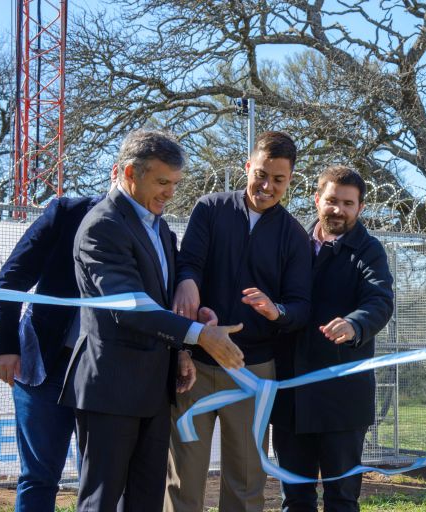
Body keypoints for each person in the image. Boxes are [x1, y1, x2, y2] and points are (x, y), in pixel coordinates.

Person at [59, 129, 244, 512]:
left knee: (145, 501)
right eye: (162, 182)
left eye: (175, 183)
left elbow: (162, 299)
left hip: (154, 390)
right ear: (130, 172)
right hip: (110, 388)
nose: (170, 193)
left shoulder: (159, 227)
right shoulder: (102, 226)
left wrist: (189, 333)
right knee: (101, 501)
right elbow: (128, 305)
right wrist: (199, 336)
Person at [166, 131, 312, 512]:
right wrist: (187, 285)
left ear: (289, 181)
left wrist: (275, 311)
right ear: (247, 167)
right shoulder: (209, 208)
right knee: (183, 478)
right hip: (195, 364)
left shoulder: (294, 236)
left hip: (254, 372)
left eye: (278, 180)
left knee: (246, 481)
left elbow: (300, 306)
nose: (267, 186)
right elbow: (189, 264)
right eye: (261, 174)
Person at [271, 165, 394, 512]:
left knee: (341, 499)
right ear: (317, 200)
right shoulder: (291, 243)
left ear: (360, 207)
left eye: (348, 203)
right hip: (291, 396)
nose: (337, 209)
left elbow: (380, 300)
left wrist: (355, 324)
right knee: (295, 499)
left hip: (343, 399)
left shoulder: (369, 251)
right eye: (331, 200)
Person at [0, 175, 112, 511]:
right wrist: (3, 345)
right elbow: (11, 278)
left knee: (105, 481)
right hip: (46, 367)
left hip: (108, 375)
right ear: (119, 173)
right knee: (38, 478)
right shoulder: (66, 212)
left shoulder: (155, 231)